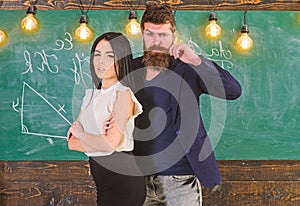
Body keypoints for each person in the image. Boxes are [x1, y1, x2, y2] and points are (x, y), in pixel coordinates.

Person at [122, 3, 242, 206]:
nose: (156, 42)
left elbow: (233, 90)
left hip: (181, 180)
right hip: (138, 181)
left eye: (163, 35)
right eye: (150, 34)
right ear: (142, 34)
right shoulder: (128, 69)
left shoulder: (188, 68)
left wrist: (196, 60)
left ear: (174, 36)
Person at [67, 32, 146, 206]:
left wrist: (84, 134)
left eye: (109, 56)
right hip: (104, 184)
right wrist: (99, 139)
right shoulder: (90, 96)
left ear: (121, 60)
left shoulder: (122, 94)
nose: (101, 61)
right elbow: (72, 143)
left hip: (124, 182)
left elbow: (110, 144)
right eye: (97, 54)